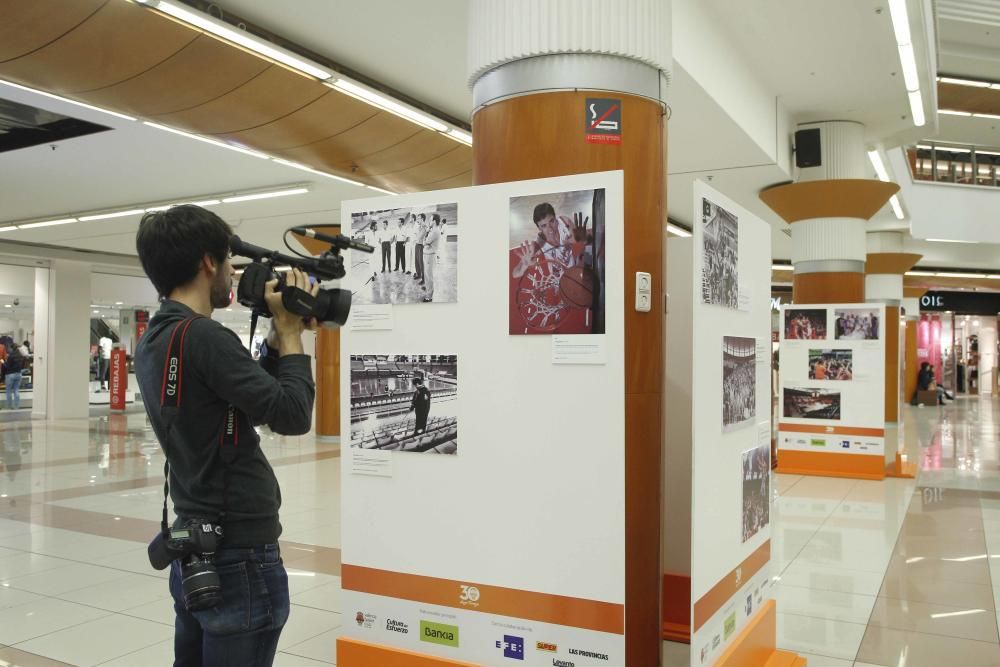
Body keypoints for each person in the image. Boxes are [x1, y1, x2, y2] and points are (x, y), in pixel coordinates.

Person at [133, 204, 317, 666]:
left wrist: (275, 343)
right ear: (208, 262)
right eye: (229, 263)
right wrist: (292, 333)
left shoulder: (157, 338)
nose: (233, 275)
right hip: (241, 557)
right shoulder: (205, 337)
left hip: (196, 547)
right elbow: (293, 415)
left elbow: (235, 412)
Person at [422, 214, 442, 302]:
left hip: (430, 255)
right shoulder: (433, 230)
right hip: (427, 254)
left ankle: (429, 296)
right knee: (427, 275)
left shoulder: (434, 231)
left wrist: (426, 234)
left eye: (430, 220)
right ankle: (428, 288)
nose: (429, 221)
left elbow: (425, 241)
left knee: (429, 276)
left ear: (434, 221)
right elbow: (426, 242)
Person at [3, 345, 24, 410]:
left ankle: (9, 407)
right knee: (16, 390)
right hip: (19, 374)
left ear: (12, 348)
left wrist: (3, 363)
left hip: (10, 375)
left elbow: (7, 366)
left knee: (8, 391)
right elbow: (22, 365)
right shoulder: (20, 356)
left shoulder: (11, 356)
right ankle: (16, 406)